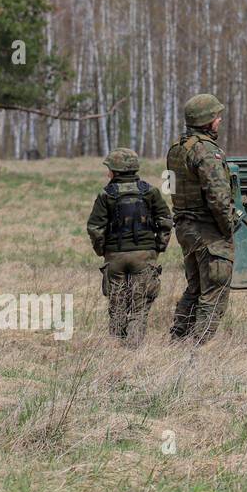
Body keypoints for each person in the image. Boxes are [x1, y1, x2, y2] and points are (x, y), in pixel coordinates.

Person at [85, 148, 173, 346]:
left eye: (109, 169)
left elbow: (95, 227)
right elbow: (166, 220)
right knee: (139, 305)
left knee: (116, 305)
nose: (107, 173)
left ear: (116, 171)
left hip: (115, 256)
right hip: (144, 256)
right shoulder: (150, 191)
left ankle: (117, 348)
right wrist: (158, 247)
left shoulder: (106, 194)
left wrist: (102, 250)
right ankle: (133, 349)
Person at [165, 94, 235, 343]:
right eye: (217, 117)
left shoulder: (176, 150)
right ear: (207, 121)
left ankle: (178, 338)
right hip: (207, 231)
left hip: (185, 228)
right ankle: (198, 347)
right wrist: (228, 229)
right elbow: (218, 197)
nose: (220, 120)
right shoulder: (207, 152)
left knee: (194, 288)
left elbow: (169, 187)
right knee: (214, 290)